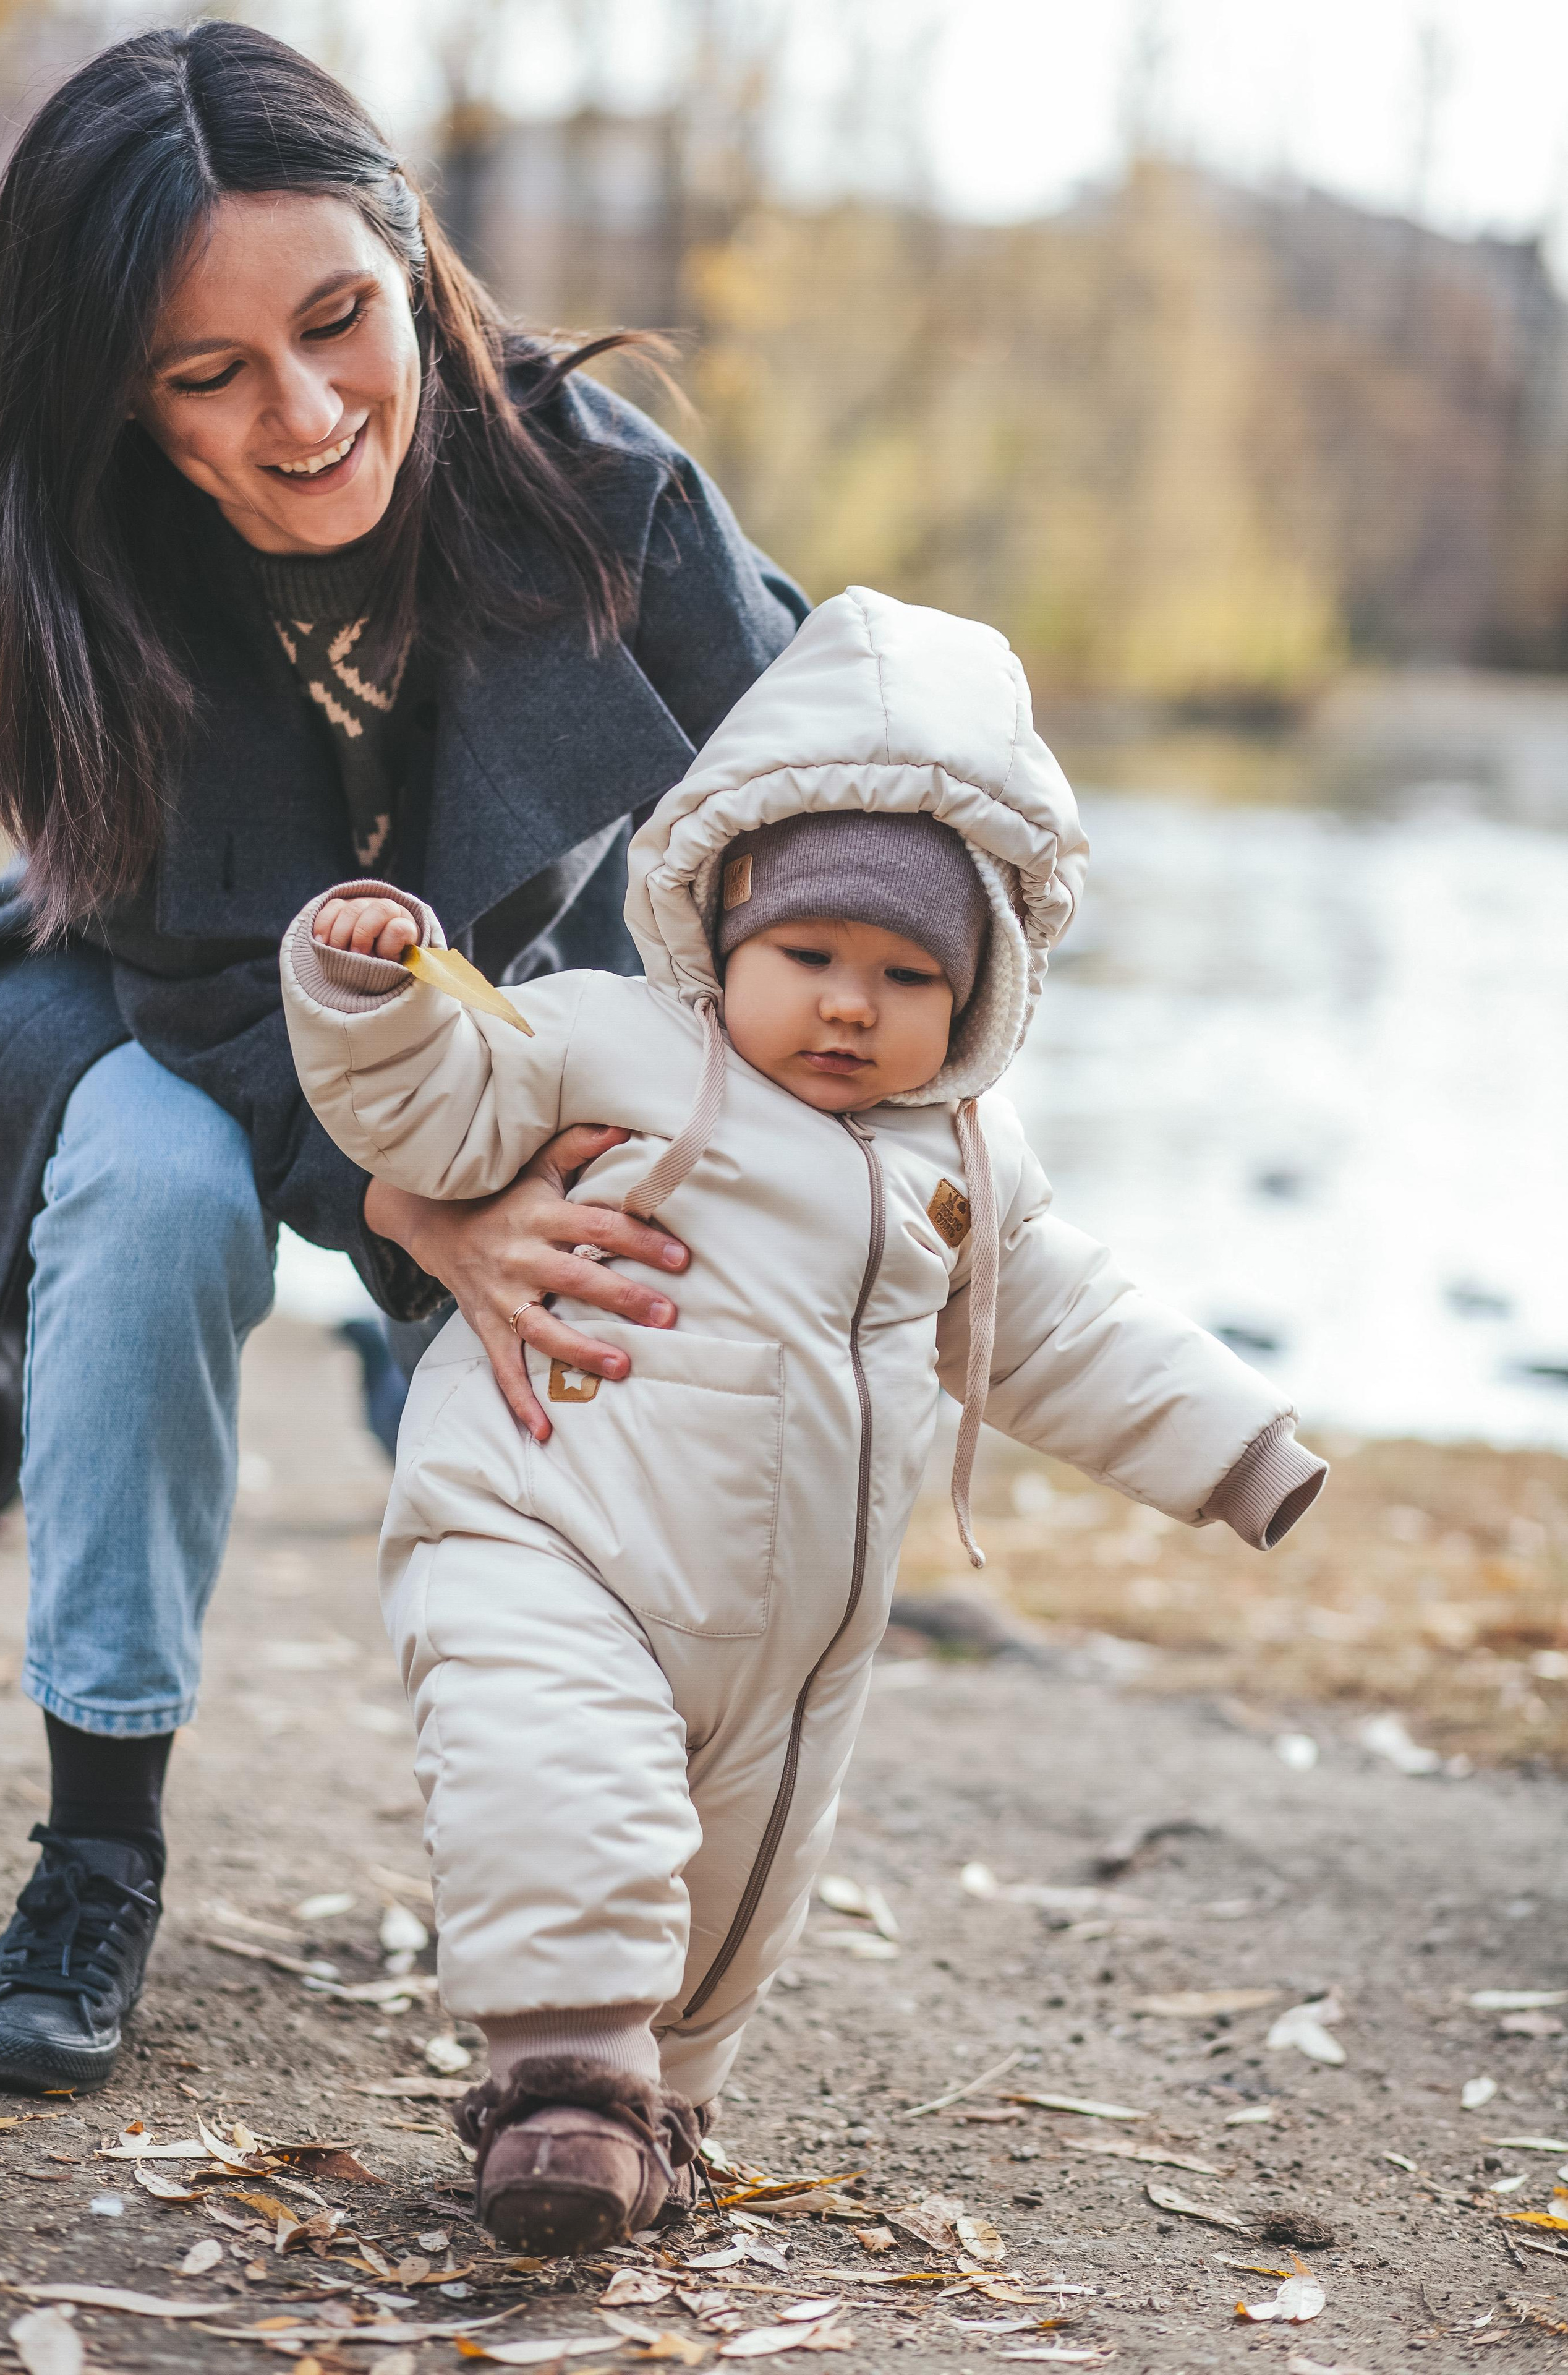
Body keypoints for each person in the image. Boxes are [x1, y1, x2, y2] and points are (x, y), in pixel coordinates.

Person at [280, 586, 1328, 2256]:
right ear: (723, 932)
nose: (850, 1005)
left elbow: (1065, 1329)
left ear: (978, 996)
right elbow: (429, 1108)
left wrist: (1239, 1449)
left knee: (734, 1890)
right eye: (812, 957)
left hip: (789, 1638)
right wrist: (370, 997)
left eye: (909, 974)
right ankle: (560, 2085)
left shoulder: (967, 1167)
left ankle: (653, 2108)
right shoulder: (600, 1041)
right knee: (562, 1788)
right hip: (556, 1533)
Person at [0, 21, 804, 2095]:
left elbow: (821, 794)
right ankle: (96, 1853)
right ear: (120, 404)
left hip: (532, 1016)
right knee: (157, 1189)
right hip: (171, 1006)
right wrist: (411, 1208)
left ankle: (602, 1912)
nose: (308, 412)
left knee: (619, 1290)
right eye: (209, 375)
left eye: (341, 321)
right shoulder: (66, 574)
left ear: (408, 255)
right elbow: (194, 969)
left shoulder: (599, 485)